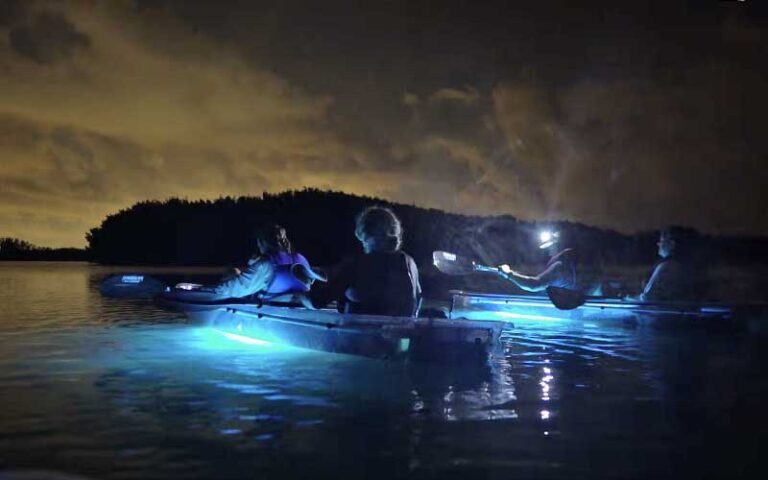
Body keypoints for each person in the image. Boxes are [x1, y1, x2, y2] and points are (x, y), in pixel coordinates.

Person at [317, 206, 422, 316]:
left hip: (361, 332)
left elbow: (318, 301)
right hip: (401, 332)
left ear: (366, 234)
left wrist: (299, 294)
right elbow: (417, 299)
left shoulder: (360, 264)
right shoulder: (411, 263)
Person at [213, 224, 324, 300]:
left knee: (234, 274)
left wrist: (211, 289)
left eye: (259, 242)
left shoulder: (264, 265)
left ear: (262, 242)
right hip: (296, 304)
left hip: (270, 308)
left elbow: (235, 289)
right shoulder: (301, 258)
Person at [625, 226, 703, 302]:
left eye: (661, 241)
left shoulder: (667, 267)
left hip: (662, 313)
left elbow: (647, 299)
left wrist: (628, 299)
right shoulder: (686, 266)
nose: (658, 244)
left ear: (672, 244)